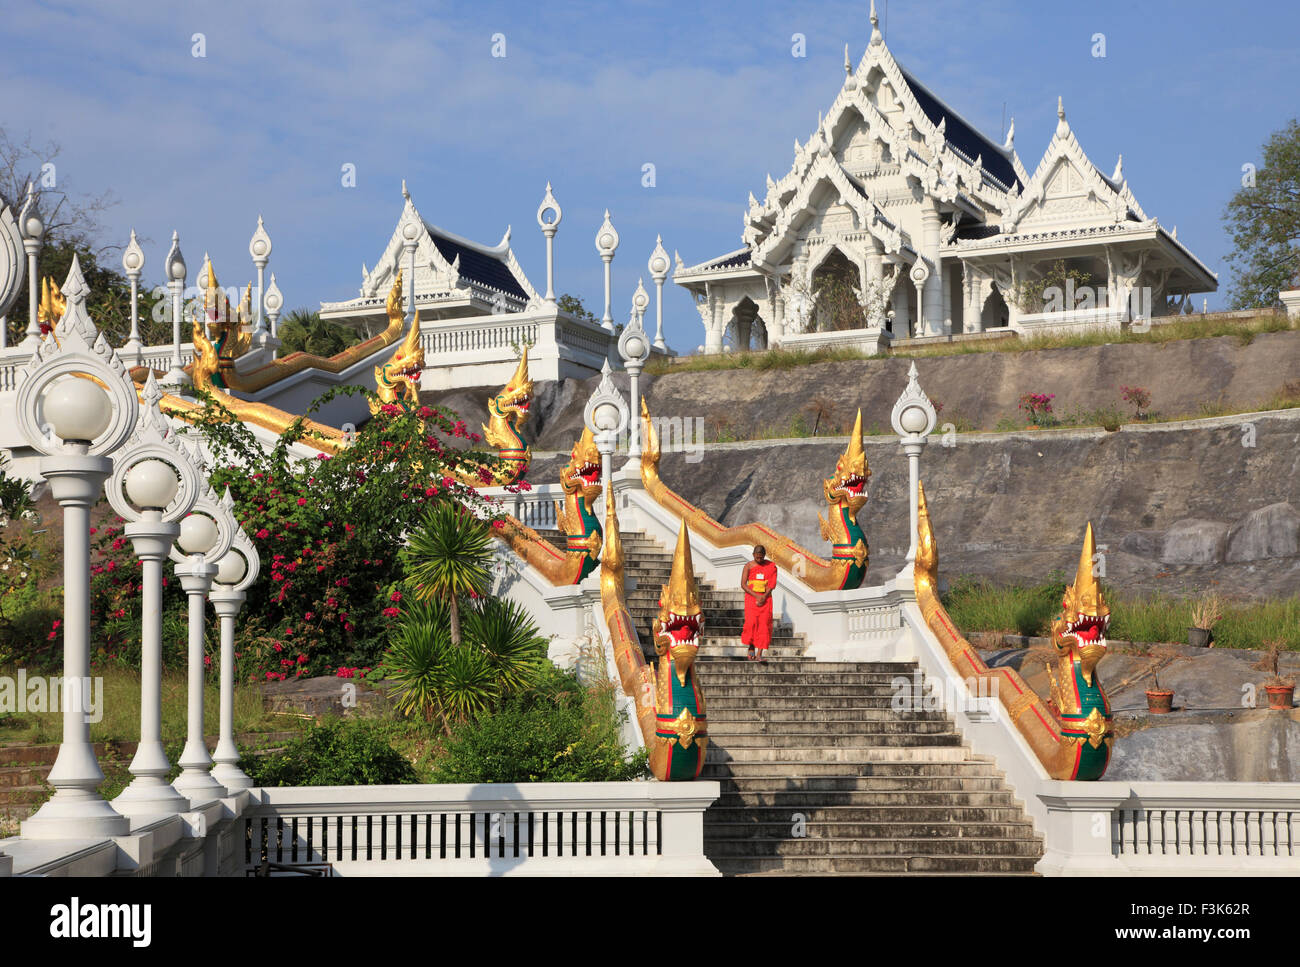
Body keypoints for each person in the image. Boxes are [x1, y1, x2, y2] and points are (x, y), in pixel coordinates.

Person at [741, 544, 777, 663]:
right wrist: (756, 596)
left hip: (766, 599)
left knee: (764, 626)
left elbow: (771, 584)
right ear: (753, 555)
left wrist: (764, 596)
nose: (759, 560)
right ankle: (751, 646)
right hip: (752, 598)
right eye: (757, 558)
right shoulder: (748, 566)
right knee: (751, 623)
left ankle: (759, 654)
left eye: (761, 558)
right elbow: (743, 584)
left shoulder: (771, 566)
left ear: (764, 556)